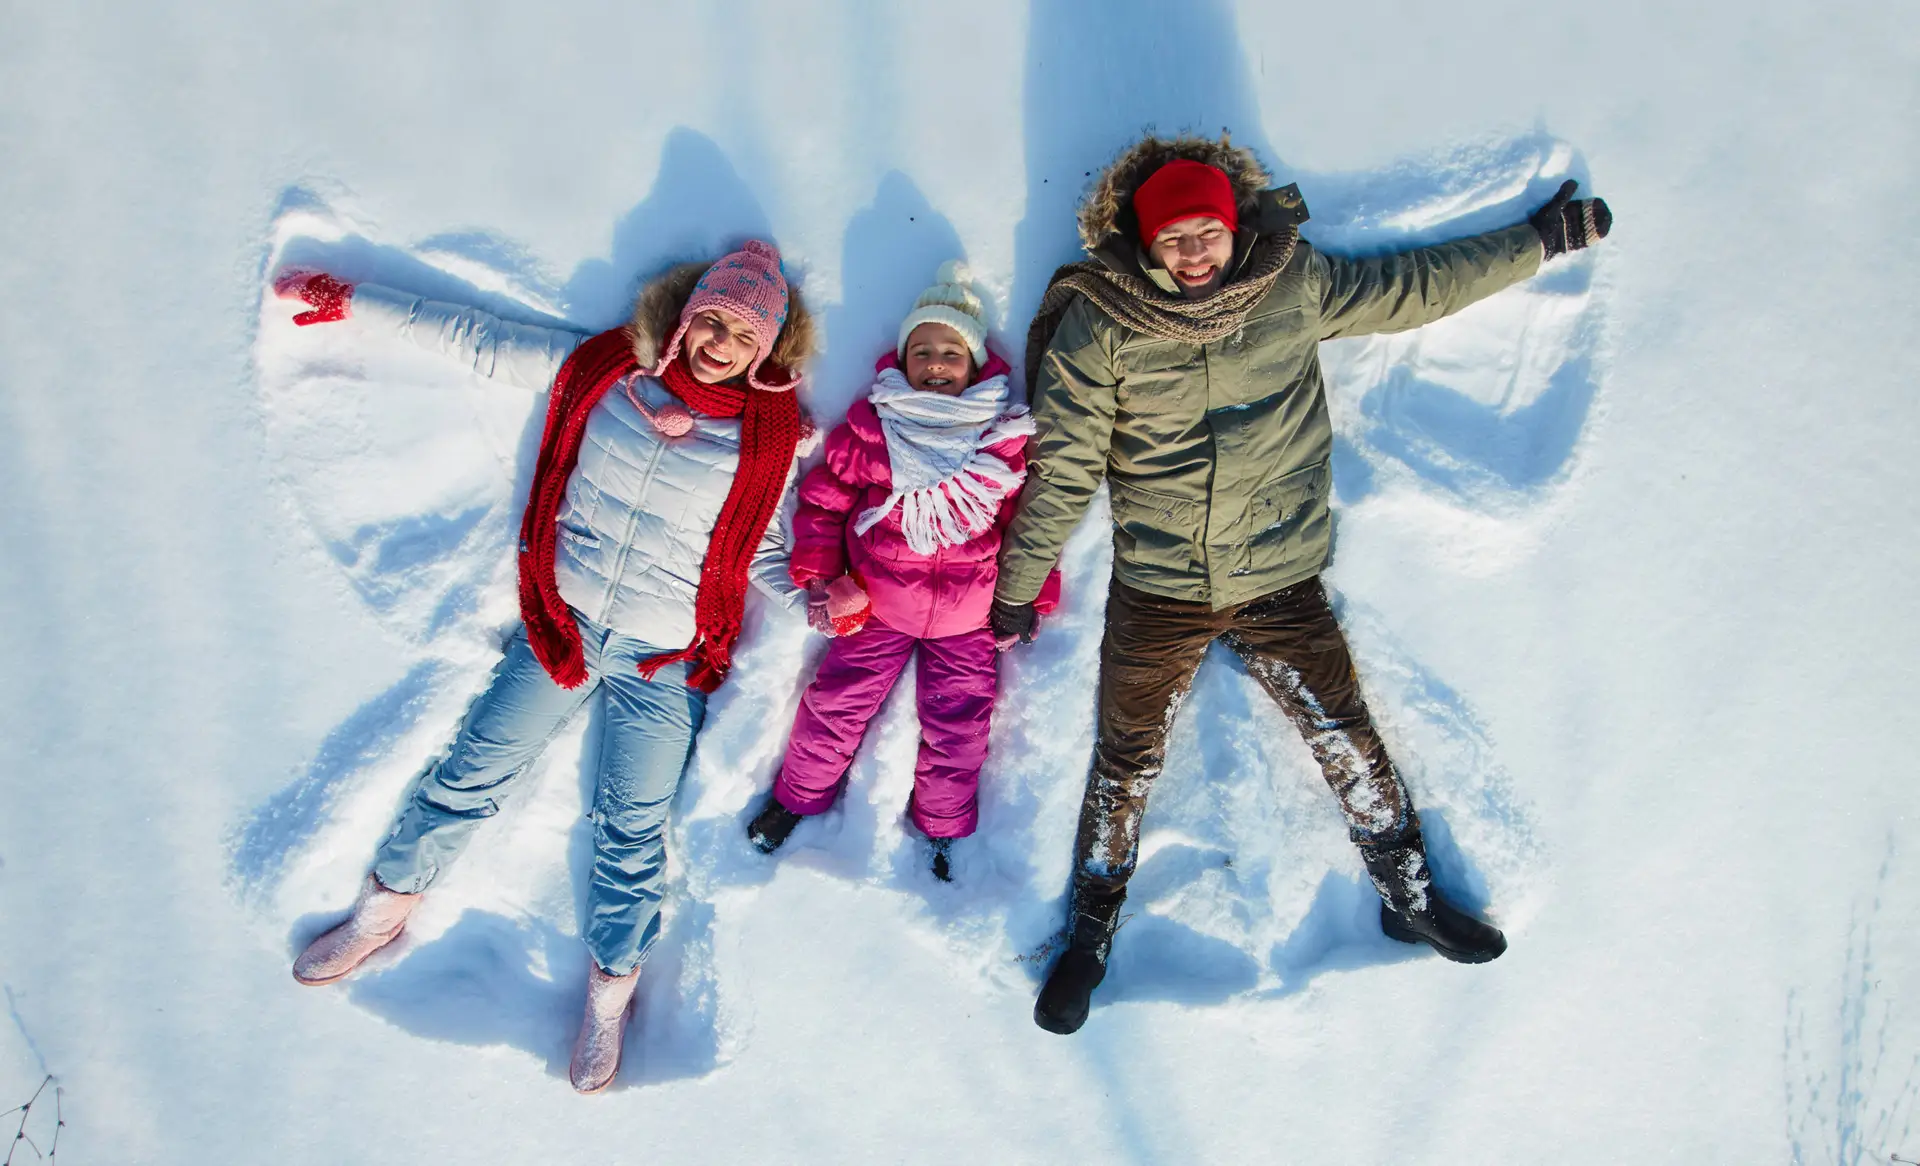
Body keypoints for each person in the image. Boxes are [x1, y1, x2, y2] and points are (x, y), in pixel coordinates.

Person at [991, 134, 1613, 1035]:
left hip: (1279, 573)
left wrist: (1541, 241)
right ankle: (1090, 935)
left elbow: (1415, 287)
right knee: (1126, 759)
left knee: (1345, 732)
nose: (1195, 252)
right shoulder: (1102, 324)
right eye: (1175, 239)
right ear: (1144, 243)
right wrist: (1020, 583)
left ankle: (1408, 893)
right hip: (1159, 586)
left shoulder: (1289, 283)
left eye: (1207, 231)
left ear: (1235, 227)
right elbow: (1067, 465)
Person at [275, 240, 817, 1091]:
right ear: (683, 316)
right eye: (710, 319)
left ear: (766, 350)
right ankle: (384, 909)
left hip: (659, 659)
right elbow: (480, 339)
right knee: (471, 771)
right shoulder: (606, 370)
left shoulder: (767, 441)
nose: (718, 342)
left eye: (741, 335)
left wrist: (819, 601)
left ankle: (609, 993)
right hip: (561, 625)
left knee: (632, 829)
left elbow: (768, 549)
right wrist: (356, 302)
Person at [744, 262, 1060, 880]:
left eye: (950, 351)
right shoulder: (872, 427)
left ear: (973, 363)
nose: (936, 363)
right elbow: (826, 499)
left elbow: (1028, 522)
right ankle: (796, 798)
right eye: (923, 351)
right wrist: (819, 571)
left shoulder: (999, 437)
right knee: (835, 705)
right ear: (903, 359)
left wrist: (1034, 594)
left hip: (971, 618)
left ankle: (942, 827)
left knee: (959, 724)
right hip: (877, 604)